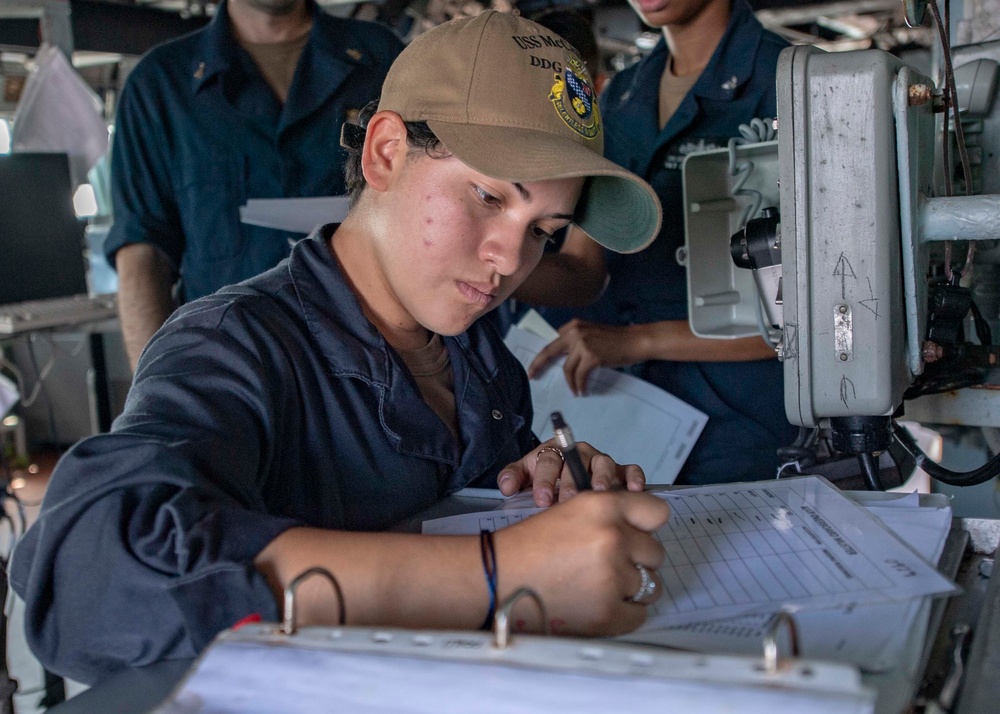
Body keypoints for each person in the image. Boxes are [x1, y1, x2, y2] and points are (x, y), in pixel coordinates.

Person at [10, 11, 669, 686]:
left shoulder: (480, 362)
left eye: (544, 231)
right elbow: (89, 571)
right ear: (385, 153)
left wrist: (537, 489)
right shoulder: (236, 346)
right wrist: (502, 572)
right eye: (487, 195)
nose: (509, 258)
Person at [517, 0, 798, 484]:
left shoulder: (788, 82)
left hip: (744, 427)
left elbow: (815, 310)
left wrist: (640, 340)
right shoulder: (624, 95)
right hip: (640, 423)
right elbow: (583, 269)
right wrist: (490, 267)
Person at [106, 0, 403, 370]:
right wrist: (153, 389)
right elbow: (141, 252)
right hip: (227, 371)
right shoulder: (160, 86)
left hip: (375, 361)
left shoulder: (384, 60)